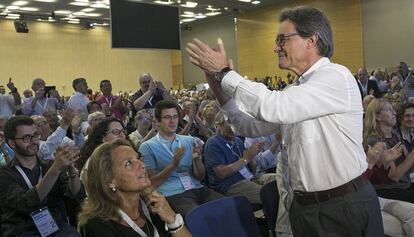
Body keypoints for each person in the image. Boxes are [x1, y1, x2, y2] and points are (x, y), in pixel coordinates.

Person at [186, 6, 383, 236]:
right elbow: (248, 125)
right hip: (306, 209)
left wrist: (224, 72)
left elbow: (272, 107)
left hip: (342, 206)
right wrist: (217, 85)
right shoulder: (296, 90)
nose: (275, 47)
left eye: (282, 39)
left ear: (311, 40)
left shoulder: (335, 76)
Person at [78, 139, 191, 237]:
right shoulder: (96, 226)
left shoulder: (155, 205)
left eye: (138, 158)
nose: (141, 164)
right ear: (109, 181)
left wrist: (173, 220)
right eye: (128, 163)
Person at [0, 115, 85, 237]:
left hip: (56, 228)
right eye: (26, 138)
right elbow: (26, 202)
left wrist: (71, 171)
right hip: (23, 229)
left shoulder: (49, 166)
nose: (34, 141)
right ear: (12, 143)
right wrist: (55, 169)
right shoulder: (5, 174)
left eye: (35, 135)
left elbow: (76, 194)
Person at [139, 100, 222, 217]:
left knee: (228, 207)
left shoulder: (189, 140)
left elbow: (200, 177)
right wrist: (173, 166)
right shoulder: (147, 147)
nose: (172, 121)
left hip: (197, 188)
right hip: (173, 194)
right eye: (167, 117)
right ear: (157, 121)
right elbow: (152, 183)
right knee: (199, 217)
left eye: (175, 117)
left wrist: (196, 159)